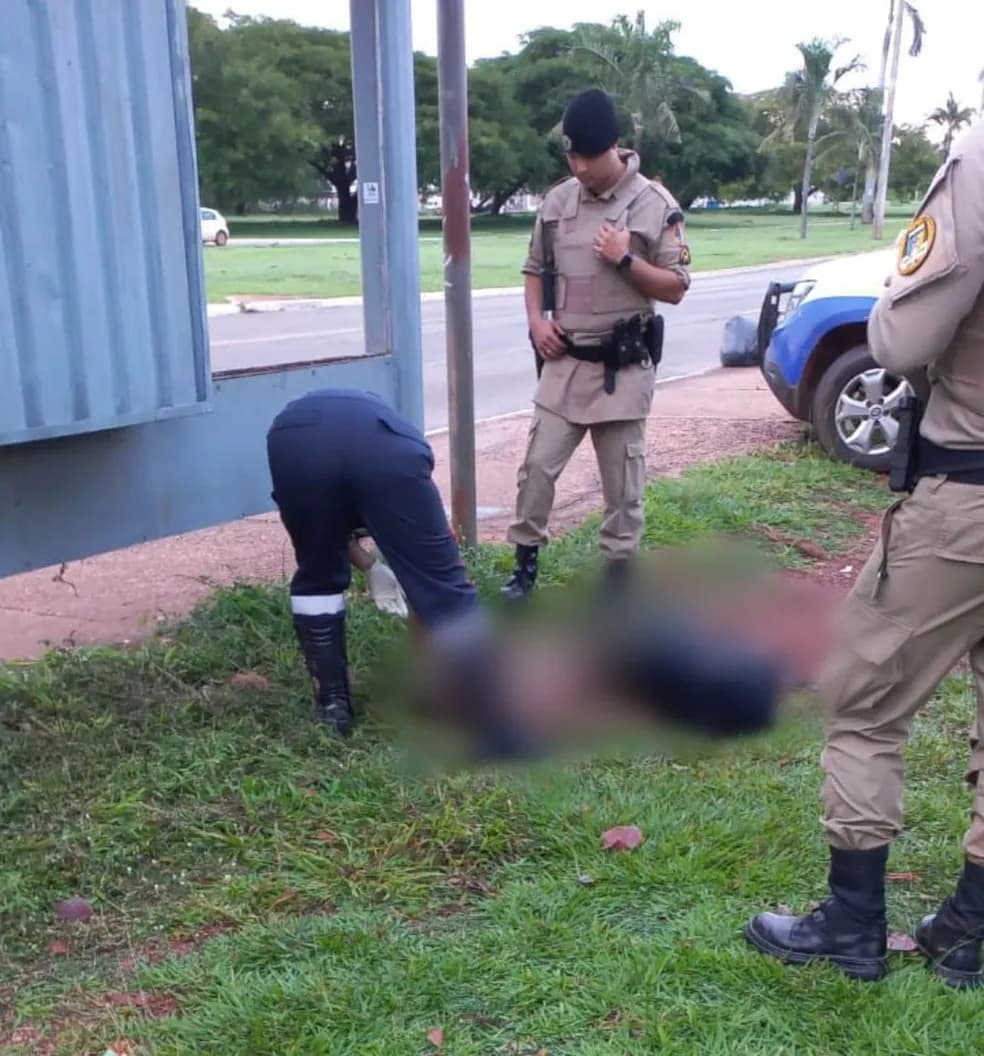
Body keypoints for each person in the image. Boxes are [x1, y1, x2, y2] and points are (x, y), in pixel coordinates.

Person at [744, 118, 984, 988]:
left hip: (968, 497)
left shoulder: (980, 160)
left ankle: (851, 925)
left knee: (862, 700)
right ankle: (970, 929)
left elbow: (903, 342)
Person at [265, 387, 787, 758]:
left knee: (316, 579)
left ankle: (333, 706)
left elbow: (328, 534)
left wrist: (372, 565)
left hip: (291, 444)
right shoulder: (398, 445)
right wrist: (411, 580)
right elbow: (437, 563)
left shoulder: (302, 431)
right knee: (446, 592)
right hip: (380, 448)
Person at [500, 87, 692, 601]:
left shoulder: (654, 205)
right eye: (571, 156)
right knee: (536, 470)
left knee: (622, 487)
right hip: (563, 364)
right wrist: (537, 323)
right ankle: (524, 568)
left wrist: (626, 259)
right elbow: (535, 269)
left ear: (613, 147)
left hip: (621, 370)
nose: (578, 166)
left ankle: (617, 580)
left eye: (586, 156)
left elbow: (675, 288)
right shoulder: (559, 200)